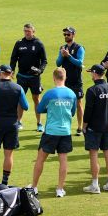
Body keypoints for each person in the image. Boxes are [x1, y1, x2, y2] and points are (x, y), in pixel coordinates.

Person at [30, 68, 77, 198]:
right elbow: (72, 112)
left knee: (40, 159)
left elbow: (39, 109)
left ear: (54, 77)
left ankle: (34, 187)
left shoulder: (50, 94)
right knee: (63, 161)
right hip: (65, 131)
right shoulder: (72, 94)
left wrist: (51, 109)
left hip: (51, 131)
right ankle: (60, 189)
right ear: (65, 77)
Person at [0, 64, 29, 186]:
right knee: (8, 154)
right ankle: (4, 182)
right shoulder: (18, 88)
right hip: (12, 124)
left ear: (0, 73)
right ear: (11, 74)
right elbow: (26, 106)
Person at [82, 64, 108, 194]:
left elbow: (88, 111)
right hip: (106, 127)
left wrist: (84, 126)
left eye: (92, 72)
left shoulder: (92, 90)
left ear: (95, 73)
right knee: (107, 153)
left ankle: (95, 184)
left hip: (93, 128)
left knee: (94, 155)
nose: (91, 74)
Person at [10, 23, 48, 132]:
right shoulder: (19, 43)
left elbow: (44, 61)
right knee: (20, 99)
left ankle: (39, 123)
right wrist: (12, 70)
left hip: (34, 77)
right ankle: (19, 121)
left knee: (36, 99)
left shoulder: (39, 43)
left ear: (33, 31)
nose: (26, 33)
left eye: (28, 31)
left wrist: (40, 70)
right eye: (25, 31)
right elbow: (13, 58)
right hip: (21, 76)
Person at [55, 27, 85, 135]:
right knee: (63, 103)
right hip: (65, 81)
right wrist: (62, 56)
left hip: (76, 81)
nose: (66, 36)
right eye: (65, 34)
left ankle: (80, 127)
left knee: (78, 103)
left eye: (68, 34)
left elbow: (79, 63)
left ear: (73, 35)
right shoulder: (62, 47)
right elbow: (58, 63)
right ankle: (65, 125)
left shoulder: (79, 48)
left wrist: (69, 56)